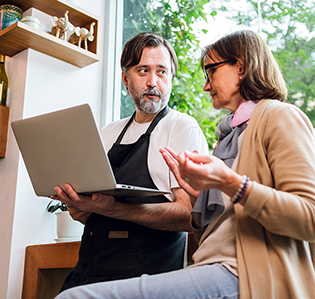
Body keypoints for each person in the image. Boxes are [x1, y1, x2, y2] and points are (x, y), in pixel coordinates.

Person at [55, 29, 315, 299]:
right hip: (209, 265)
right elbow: (212, 225)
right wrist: (200, 201)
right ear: (125, 78)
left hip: (246, 274)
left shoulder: (280, 116)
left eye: (211, 71)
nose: (205, 85)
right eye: (143, 71)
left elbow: (310, 216)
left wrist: (229, 183)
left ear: (241, 67)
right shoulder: (229, 136)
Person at [52, 32, 209, 291]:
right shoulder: (108, 132)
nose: (152, 82)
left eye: (161, 72)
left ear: (171, 79)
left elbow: (188, 215)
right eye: (143, 71)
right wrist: (78, 207)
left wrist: (115, 209)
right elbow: (90, 214)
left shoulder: (181, 128)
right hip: (88, 271)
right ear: (126, 78)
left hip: (145, 279)